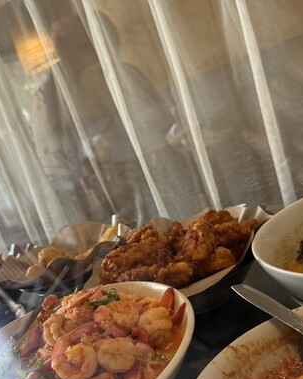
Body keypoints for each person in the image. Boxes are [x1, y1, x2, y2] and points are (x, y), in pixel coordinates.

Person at [30, 4, 190, 225]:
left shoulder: (46, 96)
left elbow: (160, 122)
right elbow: (154, 129)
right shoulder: (90, 83)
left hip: (113, 192)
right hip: (120, 190)